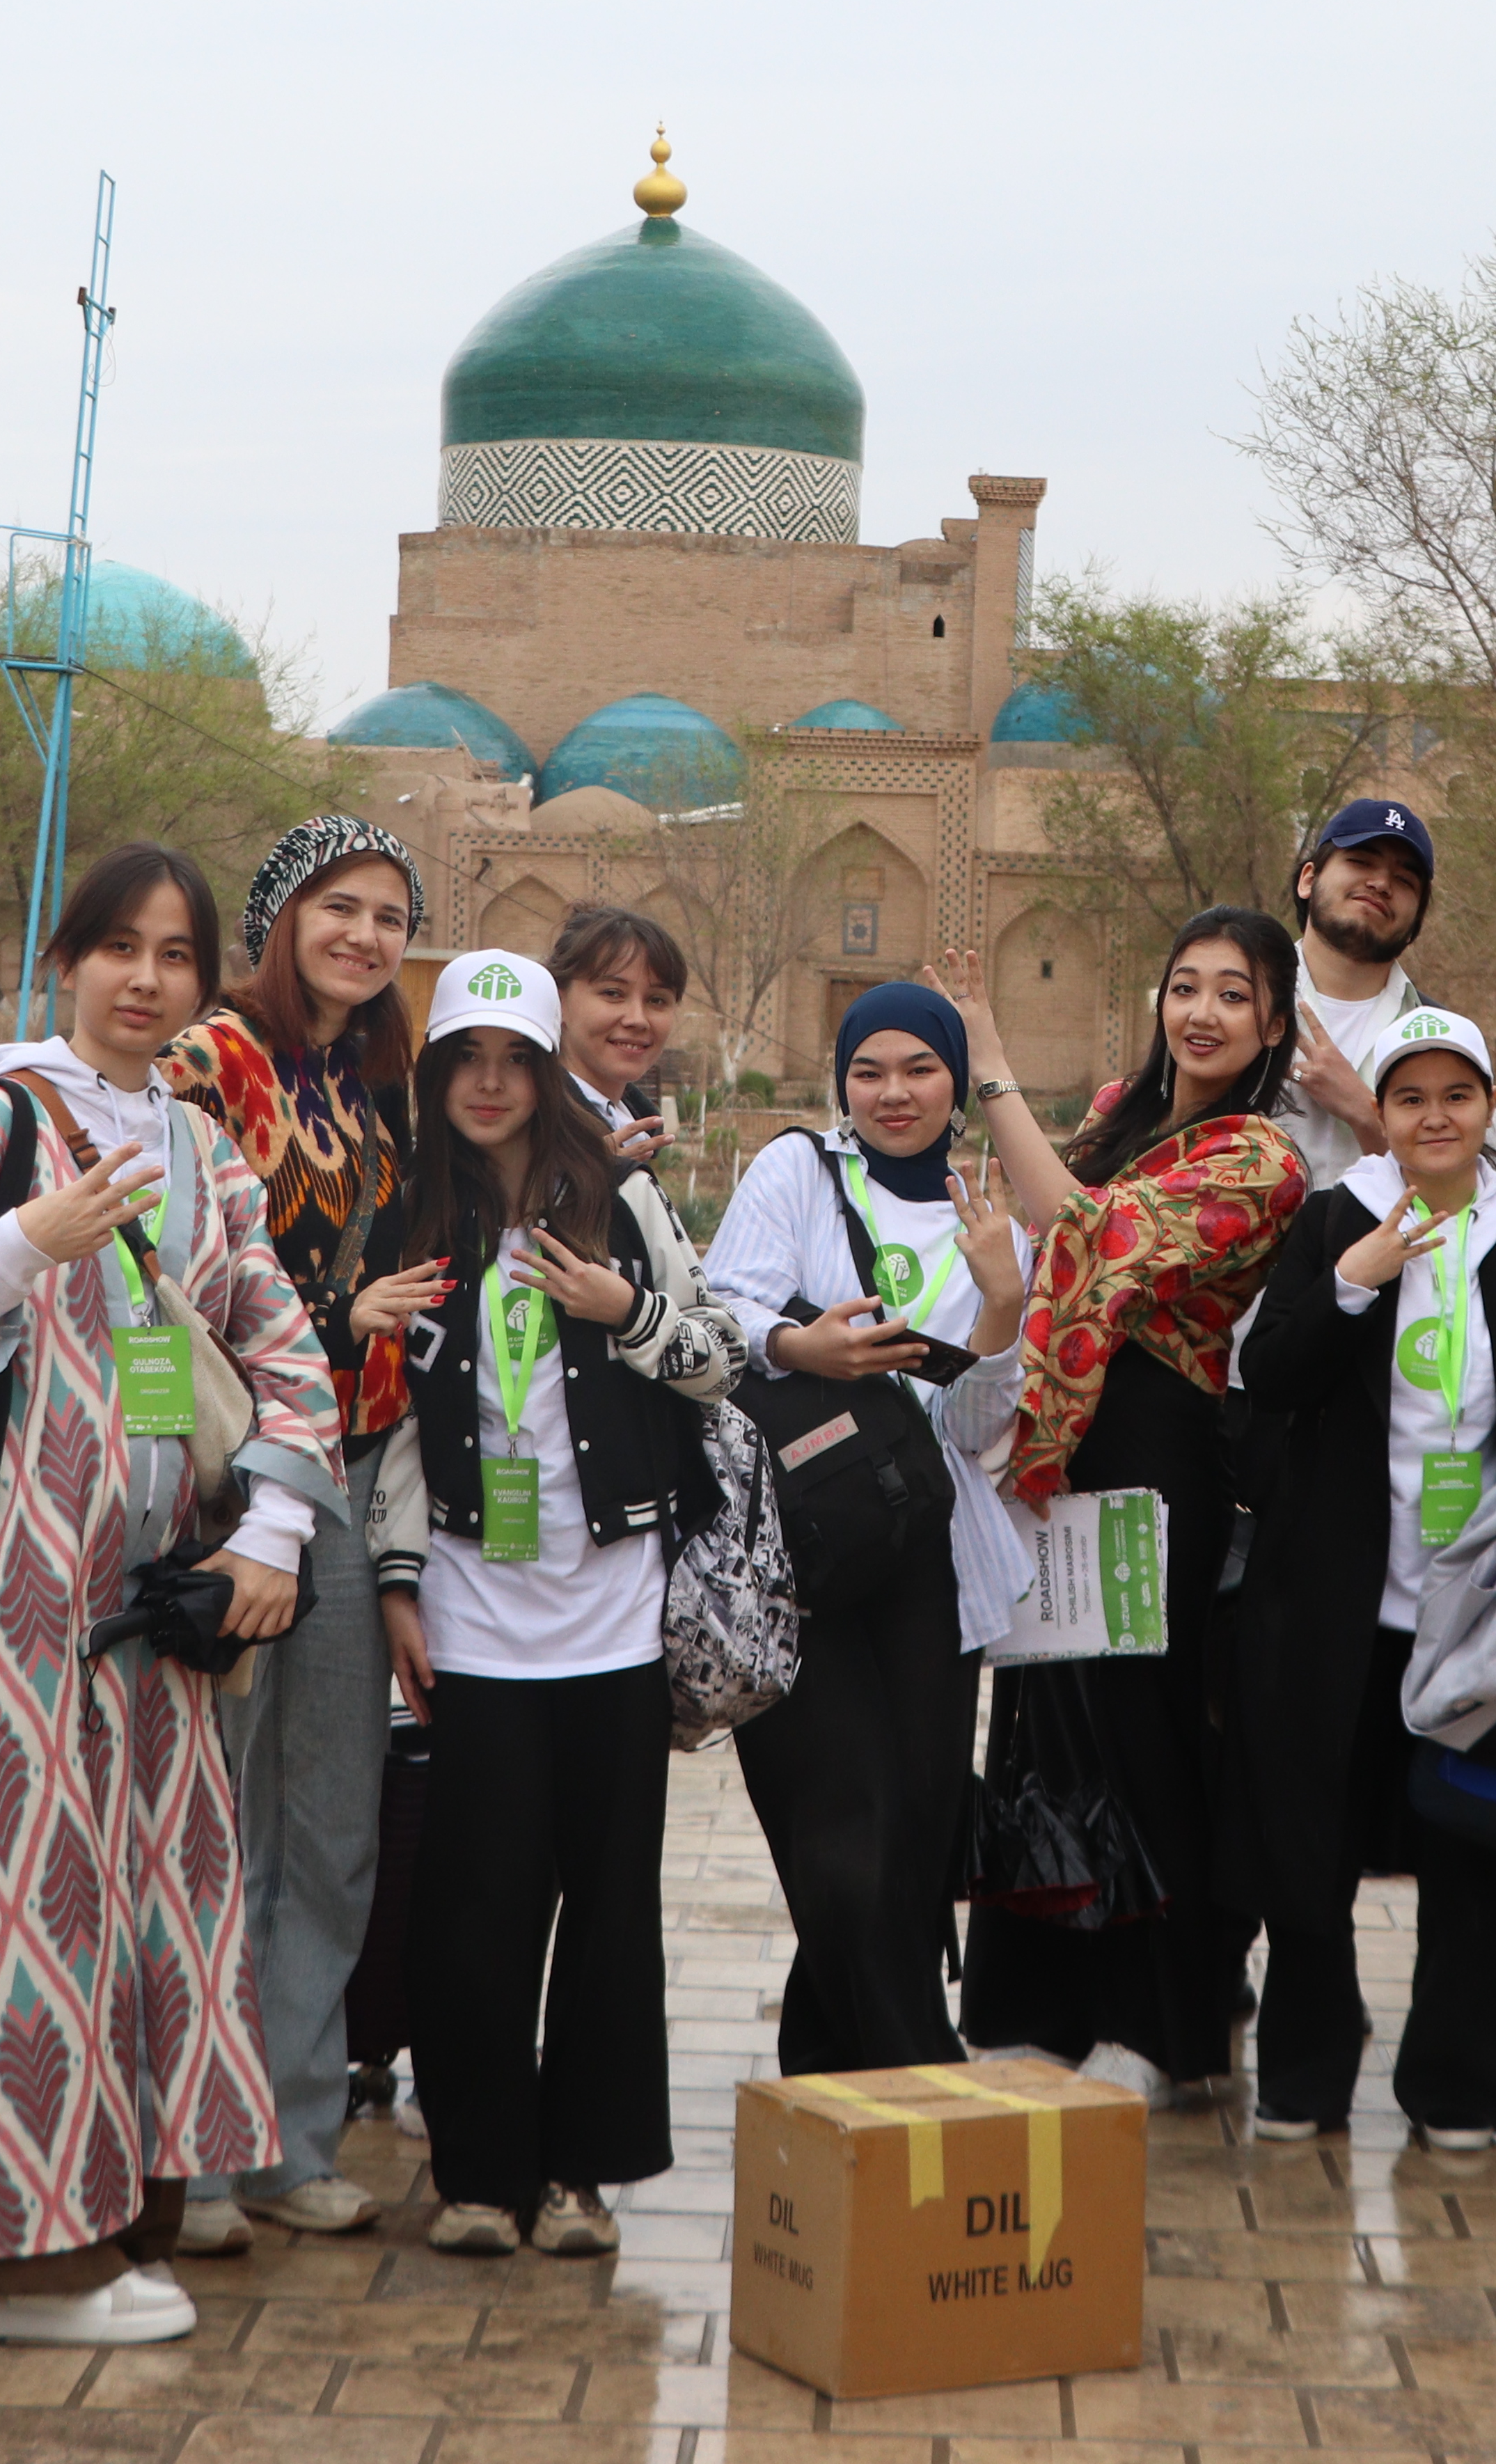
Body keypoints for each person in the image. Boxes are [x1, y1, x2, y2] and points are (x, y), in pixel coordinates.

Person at [0, 842, 344, 2346]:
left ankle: (114, 2217)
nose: (145, 978)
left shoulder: (201, 1147)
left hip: (162, 1592)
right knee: (21, 1910)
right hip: (18, 1589)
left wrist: (270, 1534)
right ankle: (7, 2265)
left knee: (150, 1904)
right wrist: (20, 1242)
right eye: (118, 946)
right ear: (67, 957)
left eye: (177, 954)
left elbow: (287, 1353)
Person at [369, 950, 743, 2259]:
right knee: (477, 1900)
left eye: (511, 1061)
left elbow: (716, 1362)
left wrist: (624, 1309)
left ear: (543, 1072)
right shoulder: (415, 1212)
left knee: (608, 1900)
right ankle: (480, 2172)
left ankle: (584, 2169)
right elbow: (404, 1426)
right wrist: (399, 1583)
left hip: (614, 1612)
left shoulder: (623, 1200)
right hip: (475, 1613)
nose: (487, 1085)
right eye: (463, 1061)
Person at [941, 909, 1310, 2098]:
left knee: (1142, 1730)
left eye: (1234, 995)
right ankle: (1028, 2002)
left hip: (1157, 1451)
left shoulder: (1263, 1158)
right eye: (1185, 985)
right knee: (1046, 1719)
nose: (1202, 1012)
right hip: (1059, 1449)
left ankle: (1157, 2029)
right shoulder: (1119, 1116)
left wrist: (988, 1054)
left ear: (1271, 1024)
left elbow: (1076, 1226)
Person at [1229, 1006, 1496, 2146]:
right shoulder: (1337, 1220)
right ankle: (1306, 2074)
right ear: (1379, 1116)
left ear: (1492, 1111)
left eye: (1458, 1097)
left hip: (1471, 1609)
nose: (1436, 1118)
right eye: (1411, 1098)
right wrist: (1352, 1281)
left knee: (1465, 1852)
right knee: (1309, 1847)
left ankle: (1459, 2087)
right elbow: (1270, 1377)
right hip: (1337, 1599)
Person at [156, 815, 432, 2242]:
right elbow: (163, 1273)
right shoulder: (212, 1060)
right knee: (218, 1816)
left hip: (344, 1475)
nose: (367, 935)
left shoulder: (374, 1082)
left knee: (330, 1819)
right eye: (341, 904)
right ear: (283, 915)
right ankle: (192, 2150)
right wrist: (338, 1319)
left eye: (390, 914)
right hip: (228, 1483)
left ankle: (287, 2131)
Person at [704, 982, 1035, 2072]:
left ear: (955, 1082)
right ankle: (922, 2074)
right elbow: (721, 1313)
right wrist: (808, 1349)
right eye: (869, 1071)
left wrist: (999, 1312)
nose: (894, 1094)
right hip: (801, 1553)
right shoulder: (798, 1171)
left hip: (931, 1565)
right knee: (840, 1831)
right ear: (842, 1081)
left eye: (919, 1070)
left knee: (914, 1839)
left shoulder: (985, 1220)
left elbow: (983, 1427)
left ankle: (829, 2090)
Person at [1275, 797, 1456, 1177]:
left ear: (1417, 921)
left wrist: (1365, 1110)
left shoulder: (1444, 1037)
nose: (1380, 883)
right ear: (1308, 879)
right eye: (1360, 862)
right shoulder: (1242, 1005)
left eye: (1405, 880)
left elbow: (1482, 1193)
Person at [551, 900, 684, 1167]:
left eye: (657, 1000)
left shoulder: (632, 1126)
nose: (638, 1020)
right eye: (613, 994)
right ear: (558, 1001)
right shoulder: (530, 1129)